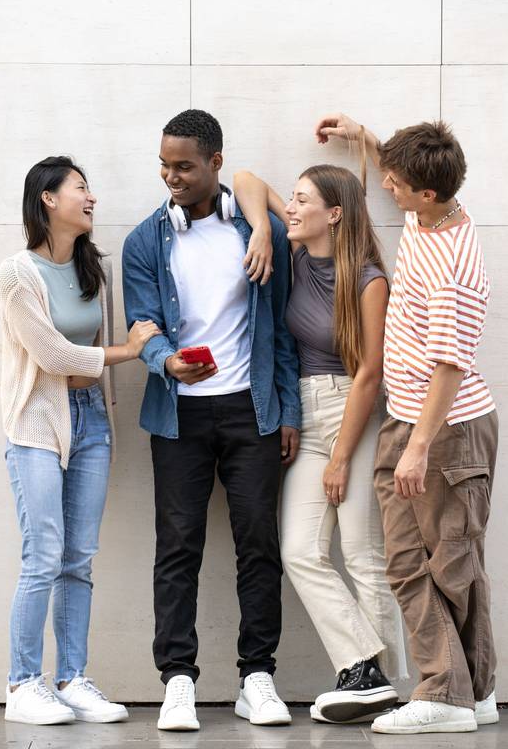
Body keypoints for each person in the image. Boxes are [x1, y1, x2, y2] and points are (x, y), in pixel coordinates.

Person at [315, 113, 499, 734]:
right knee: (451, 561)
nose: (385, 190)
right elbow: (410, 171)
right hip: (416, 420)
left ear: (424, 192)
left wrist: (418, 447)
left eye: (393, 183)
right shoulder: (433, 212)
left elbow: (450, 365)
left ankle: (444, 693)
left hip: (441, 428)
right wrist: (366, 138)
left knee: (432, 562)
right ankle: (473, 690)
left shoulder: (453, 263)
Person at [122, 109, 301, 731]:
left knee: (259, 544)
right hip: (178, 416)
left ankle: (258, 676)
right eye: (165, 166)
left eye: (184, 166)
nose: (172, 177)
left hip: (250, 409)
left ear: (215, 163)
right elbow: (141, 324)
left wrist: (286, 409)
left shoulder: (262, 233)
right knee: (177, 548)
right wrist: (166, 362)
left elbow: (279, 331)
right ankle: (177, 681)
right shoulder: (145, 240)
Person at [234, 164, 408, 724]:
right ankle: (367, 669)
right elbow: (246, 179)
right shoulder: (297, 253)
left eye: (302, 199)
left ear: (333, 214)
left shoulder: (369, 278)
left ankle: (383, 688)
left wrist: (339, 458)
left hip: (353, 415)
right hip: (305, 414)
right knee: (301, 551)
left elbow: (370, 375)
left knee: (362, 555)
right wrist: (261, 227)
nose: (293, 206)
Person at [0, 156, 159, 726]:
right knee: (42, 555)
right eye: (81, 189)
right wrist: (131, 351)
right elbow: (55, 358)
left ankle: (71, 679)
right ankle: (22, 684)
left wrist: (106, 367)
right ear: (48, 198)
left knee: (78, 559)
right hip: (38, 426)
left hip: (91, 423)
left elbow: (88, 369)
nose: (91, 199)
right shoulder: (16, 274)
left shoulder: (96, 271)